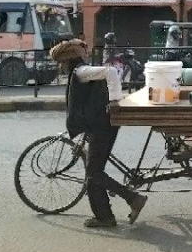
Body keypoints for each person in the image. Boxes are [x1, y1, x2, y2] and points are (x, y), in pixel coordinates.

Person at [49, 38, 147, 229]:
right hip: (99, 124)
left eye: (61, 62)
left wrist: (114, 101)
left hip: (101, 126)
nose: (60, 66)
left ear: (68, 60)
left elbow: (111, 71)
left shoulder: (81, 71)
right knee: (93, 171)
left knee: (94, 173)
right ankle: (105, 217)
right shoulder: (79, 73)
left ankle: (133, 198)